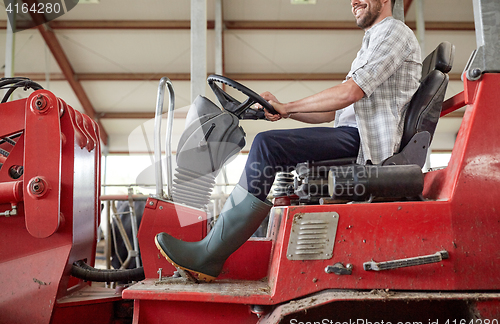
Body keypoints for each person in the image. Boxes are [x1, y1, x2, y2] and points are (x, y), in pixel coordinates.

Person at [155, 0, 422, 282]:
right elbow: (334, 111)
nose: (353, 1)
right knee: (270, 144)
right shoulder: (373, 40)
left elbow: (350, 92)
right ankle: (212, 247)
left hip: (368, 144)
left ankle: (210, 254)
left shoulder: (393, 32)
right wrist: (284, 110)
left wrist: (289, 106)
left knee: (267, 147)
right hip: (352, 134)